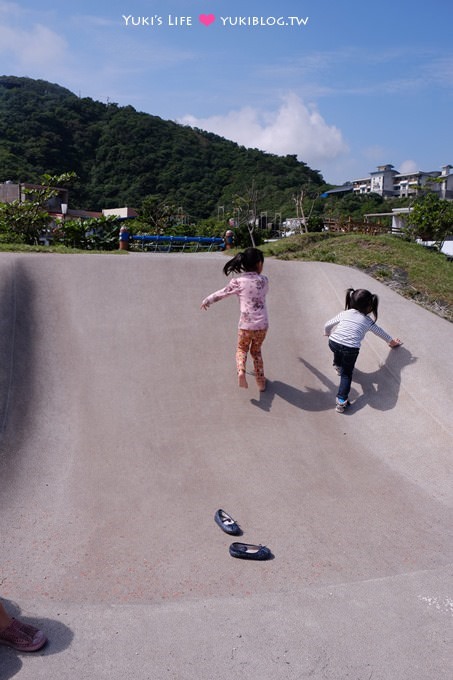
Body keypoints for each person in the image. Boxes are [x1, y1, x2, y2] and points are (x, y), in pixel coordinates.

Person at [201, 247, 269, 391]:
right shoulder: (264, 280)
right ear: (259, 264)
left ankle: (241, 371)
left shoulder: (238, 282)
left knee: (241, 349)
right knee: (256, 352)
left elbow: (222, 293)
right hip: (262, 325)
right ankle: (261, 382)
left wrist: (207, 300)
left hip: (245, 325)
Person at [324, 288, 402, 412]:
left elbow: (327, 324)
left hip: (333, 342)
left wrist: (327, 333)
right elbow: (381, 333)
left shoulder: (345, 313)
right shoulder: (368, 321)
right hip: (351, 349)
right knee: (346, 374)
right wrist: (392, 343)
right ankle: (341, 401)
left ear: (350, 301)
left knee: (338, 351)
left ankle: (338, 365)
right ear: (370, 307)